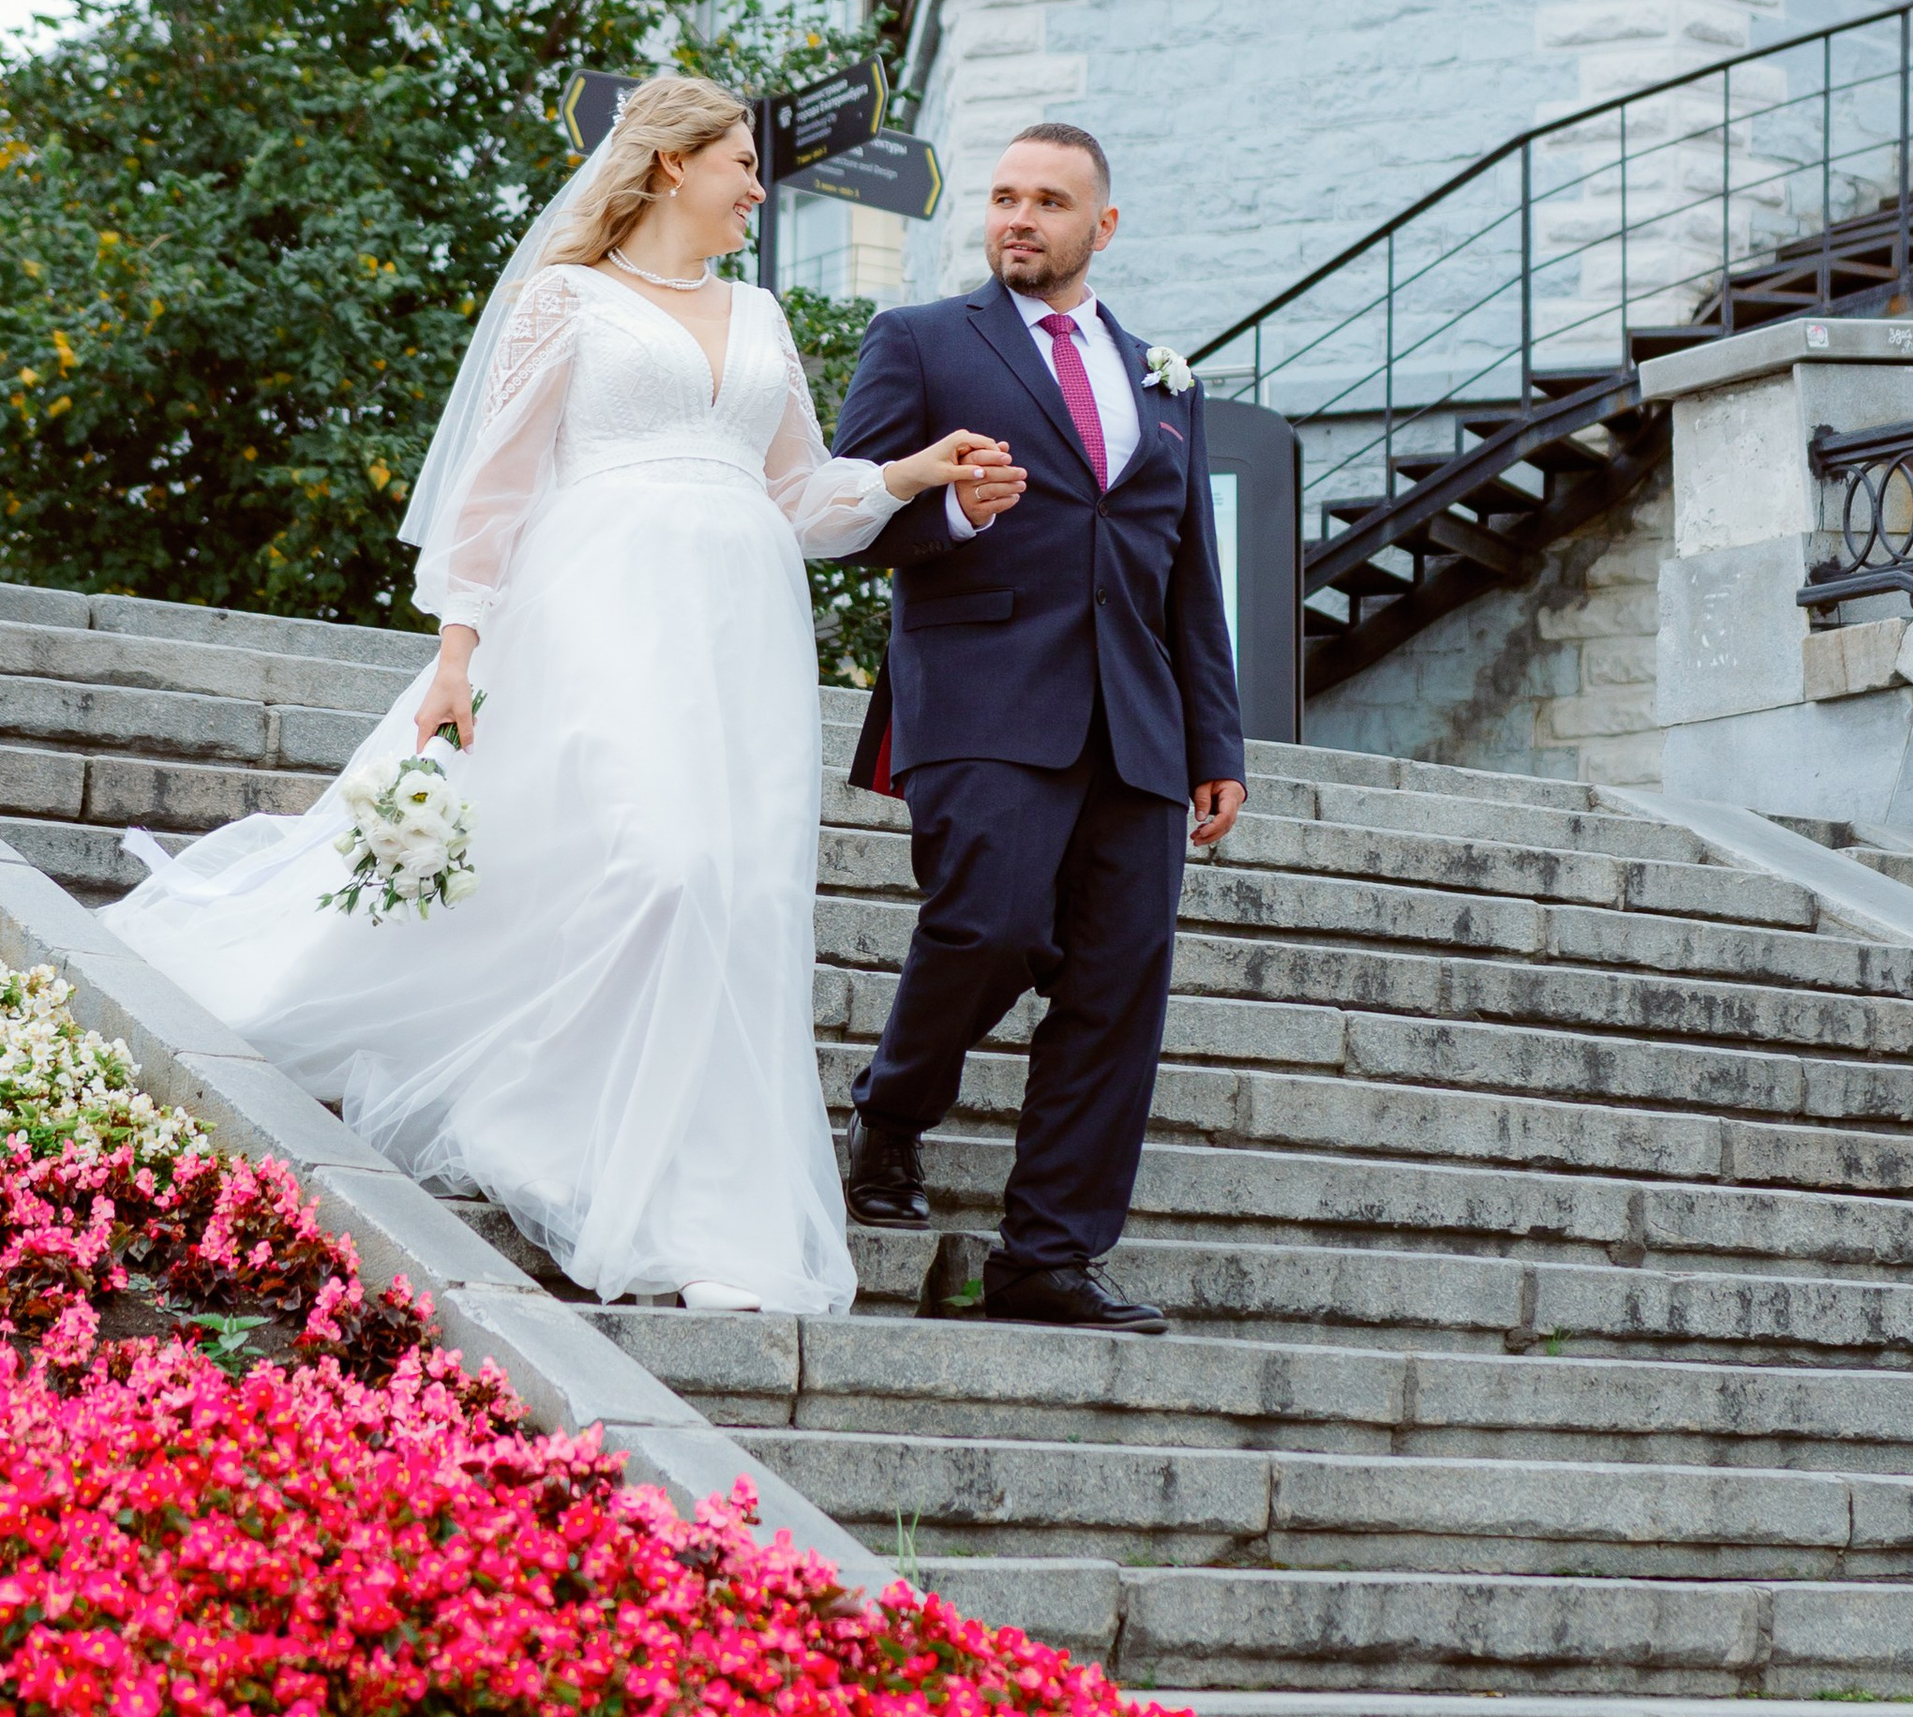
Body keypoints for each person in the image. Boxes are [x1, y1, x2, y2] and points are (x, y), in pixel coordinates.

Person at [102, 75, 1017, 1315]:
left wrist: (912, 472)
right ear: (669, 167)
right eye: (740, 161)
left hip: (742, 634)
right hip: (600, 612)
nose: (759, 184)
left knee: (737, 896)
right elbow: (492, 494)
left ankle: (699, 1210)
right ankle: (543, 1120)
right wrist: (456, 656)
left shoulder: (759, 315)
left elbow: (799, 500)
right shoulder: (564, 301)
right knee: (663, 866)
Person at [830, 123, 1247, 1332]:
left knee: (1120, 982)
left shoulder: (1167, 381)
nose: (1019, 217)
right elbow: (848, 507)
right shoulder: (919, 342)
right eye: (1004, 196)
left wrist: (1214, 744)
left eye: (1049, 202)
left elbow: (1188, 573)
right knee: (992, 923)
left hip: (1140, 721)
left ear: (1099, 228)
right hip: (981, 690)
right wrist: (948, 511)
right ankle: (893, 1110)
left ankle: (1047, 1254)